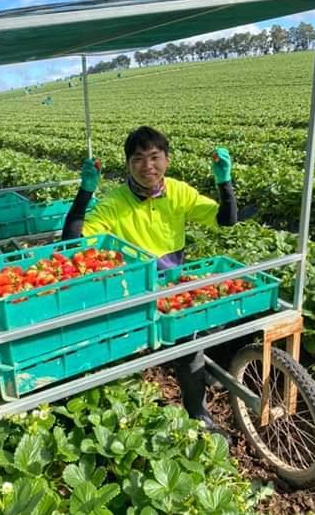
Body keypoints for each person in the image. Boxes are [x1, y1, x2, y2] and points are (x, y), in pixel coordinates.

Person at [62, 126, 237, 434]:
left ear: (167, 160)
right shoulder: (115, 203)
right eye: (138, 159)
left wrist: (224, 183)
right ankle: (196, 411)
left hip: (173, 284)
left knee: (218, 313)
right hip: (135, 293)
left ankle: (197, 373)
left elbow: (227, 220)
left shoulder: (179, 192)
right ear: (128, 165)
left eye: (155, 157)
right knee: (186, 346)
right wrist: (85, 191)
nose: (148, 167)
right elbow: (72, 241)